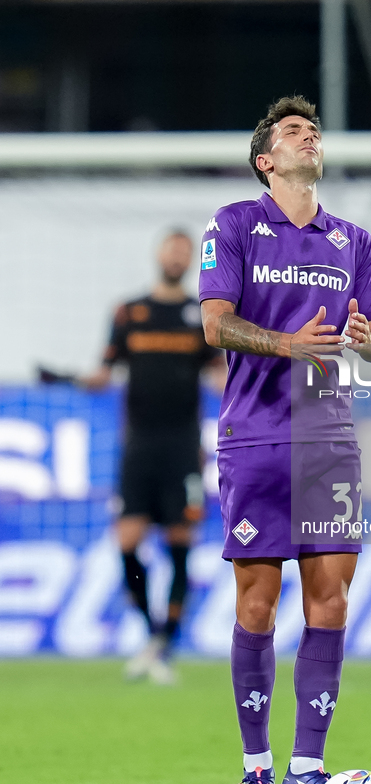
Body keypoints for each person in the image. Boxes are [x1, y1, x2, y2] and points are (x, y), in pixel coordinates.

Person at [199, 96, 371, 784]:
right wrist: (288, 344)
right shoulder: (234, 225)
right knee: (256, 605)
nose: (307, 135)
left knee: (332, 603)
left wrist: (360, 334)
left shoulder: (354, 241)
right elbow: (214, 322)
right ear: (266, 160)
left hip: (329, 437)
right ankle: (255, 767)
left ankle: (307, 767)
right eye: (291, 131)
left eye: (311, 129)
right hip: (255, 437)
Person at [84, 230, 222, 684]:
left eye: (185, 251)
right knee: (127, 541)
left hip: (182, 447)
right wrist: (88, 379)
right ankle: (153, 637)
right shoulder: (129, 312)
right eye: (173, 248)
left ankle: (163, 645)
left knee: (181, 542)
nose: (177, 256)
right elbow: (105, 371)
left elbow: (220, 373)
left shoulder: (200, 317)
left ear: (192, 262)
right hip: (138, 446)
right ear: (159, 254)